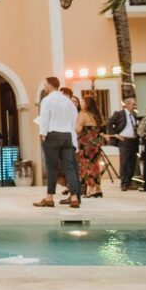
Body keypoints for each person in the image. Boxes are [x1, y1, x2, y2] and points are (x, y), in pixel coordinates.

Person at [33, 76, 81, 208]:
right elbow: (74, 116)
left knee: (52, 167)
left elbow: (44, 118)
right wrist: (68, 129)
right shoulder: (67, 100)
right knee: (69, 167)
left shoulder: (47, 100)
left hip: (52, 134)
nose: (44, 87)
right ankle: (75, 197)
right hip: (66, 135)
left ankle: (49, 198)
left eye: (45, 84)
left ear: (50, 85)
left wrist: (43, 133)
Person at [107, 97, 139, 192]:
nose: (134, 106)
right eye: (133, 104)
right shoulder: (119, 114)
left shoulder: (134, 114)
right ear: (127, 104)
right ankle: (124, 183)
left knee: (132, 163)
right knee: (124, 162)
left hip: (133, 140)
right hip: (124, 141)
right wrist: (115, 134)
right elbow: (109, 123)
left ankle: (129, 182)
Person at [76, 95, 105, 198]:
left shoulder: (83, 114)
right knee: (95, 165)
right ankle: (98, 188)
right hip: (96, 142)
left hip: (86, 143)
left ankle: (91, 189)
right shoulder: (96, 115)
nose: (81, 104)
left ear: (87, 104)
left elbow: (78, 129)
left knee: (86, 165)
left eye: (82, 102)